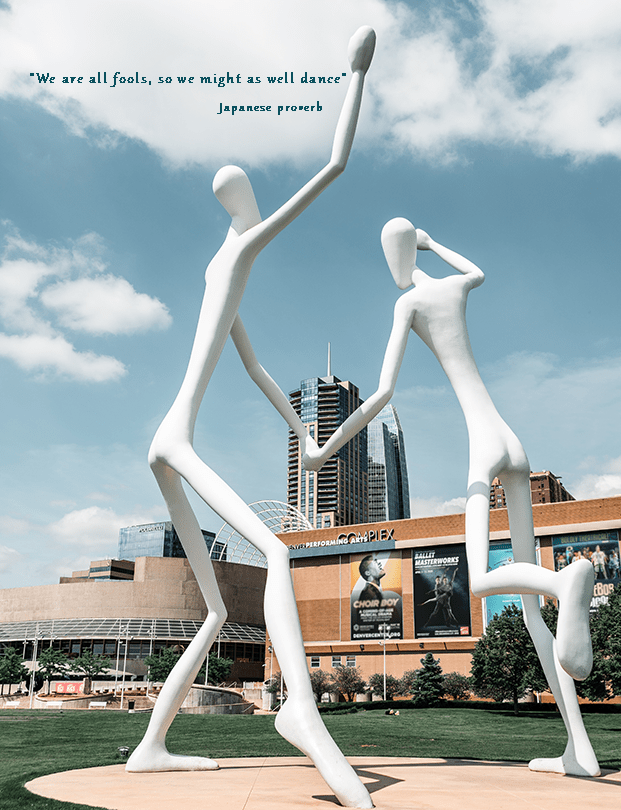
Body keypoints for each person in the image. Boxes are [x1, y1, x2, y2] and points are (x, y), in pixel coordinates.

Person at [126, 27, 375, 810]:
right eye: (248, 198)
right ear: (243, 206)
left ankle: (150, 746)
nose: (255, 205)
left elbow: (252, 363)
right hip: (178, 441)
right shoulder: (243, 247)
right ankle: (299, 708)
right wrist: (356, 76)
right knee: (273, 550)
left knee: (209, 610)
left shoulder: (218, 268)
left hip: (164, 441)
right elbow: (332, 168)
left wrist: (298, 422)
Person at [304, 217, 599, 777]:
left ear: (393, 258)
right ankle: (578, 750)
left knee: (482, 579)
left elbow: (384, 392)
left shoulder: (408, 305)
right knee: (534, 618)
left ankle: (562, 581)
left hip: (483, 446)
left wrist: (326, 448)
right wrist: (433, 242)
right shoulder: (453, 285)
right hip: (516, 442)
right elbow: (478, 271)